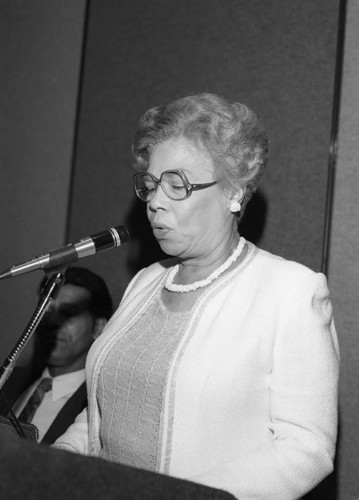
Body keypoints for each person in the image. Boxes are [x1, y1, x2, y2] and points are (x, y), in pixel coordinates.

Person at [54, 93, 339, 499]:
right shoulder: (145, 282)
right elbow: (110, 406)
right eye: (150, 184)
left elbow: (306, 450)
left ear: (233, 191)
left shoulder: (291, 292)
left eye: (177, 184)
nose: (154, 201)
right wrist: (64, 455)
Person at [0, 266, 113, 444]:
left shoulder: (100, 408)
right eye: (47, 312)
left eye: (68, 313)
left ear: (99, 328)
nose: (52, 322)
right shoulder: (8, 381)